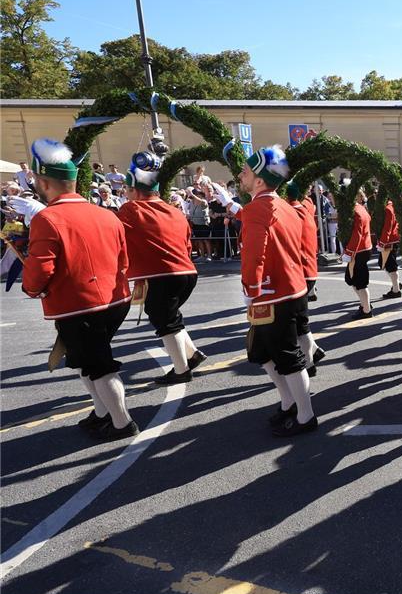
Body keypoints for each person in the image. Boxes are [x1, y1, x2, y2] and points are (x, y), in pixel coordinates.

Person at [19, 139, 135, 442]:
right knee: (85, 359)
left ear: (44, 182)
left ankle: (122, 423)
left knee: (98, 365)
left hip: (80, 305)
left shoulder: (47, 218)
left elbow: (40, 270)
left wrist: (31, 287)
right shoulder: (107, 214)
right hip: (114, 299)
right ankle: (101, 413)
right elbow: (124, 259)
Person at [229, 145, 315, 437]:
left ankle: (305, 415)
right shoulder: (286, 207)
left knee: (287, 358)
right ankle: (289, 401)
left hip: (273, 294)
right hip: (291, 289)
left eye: (246, 171)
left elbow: (254, 254)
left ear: (260, 181)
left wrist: (250, 289)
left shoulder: (258, 208)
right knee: (262, 352)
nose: (241, 175)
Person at [117, 153, 207, 386]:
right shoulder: (175, 211)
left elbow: (115, 235)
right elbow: (187, 243)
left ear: (135, 190)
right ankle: (192, 354)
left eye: (128, 189)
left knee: (165, 321)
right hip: (186, 272)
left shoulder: (131, 209)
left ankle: (181, 370)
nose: (126, 193)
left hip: (163, 274)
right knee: (168, 317)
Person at [286, 180, 325, 375]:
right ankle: (314, 351)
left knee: (298, 322)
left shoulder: (291, 213)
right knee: (301, 319)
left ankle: (309, 363)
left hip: (299, 271)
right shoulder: (307, 207)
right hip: (308, 268)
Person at [342, 190, 373, 319]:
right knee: (353, 279)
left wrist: (349, 252)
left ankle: (366, 310)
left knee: (359, 282)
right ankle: (365, 305)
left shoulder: (356, 211)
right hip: (363, 249)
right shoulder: (360, 207)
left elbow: (357, 235)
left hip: (359, 251)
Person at [376, 198, 402, 299]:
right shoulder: (390, 206)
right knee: (385, 264)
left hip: (389, 241)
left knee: (390, 265)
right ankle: (396, 284)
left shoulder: (388, 208)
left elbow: (388, 227)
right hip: (391, 239)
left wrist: (382, 242)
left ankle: (396, 290)